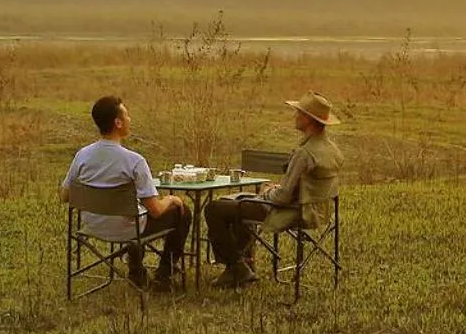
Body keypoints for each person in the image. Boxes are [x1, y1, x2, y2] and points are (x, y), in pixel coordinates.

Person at [205, 91, 344, 288]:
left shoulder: (304, 153)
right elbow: (304, 186)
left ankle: (237, 266)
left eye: (299, 113)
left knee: (215, 209)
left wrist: (266, 192)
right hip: (318, 211)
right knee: (236, 204)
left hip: (292, 211)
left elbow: (282, 198)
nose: (294, 116)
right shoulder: (331, 149)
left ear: (309, 120)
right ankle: (245, 262)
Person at [60, 95, 189, 292]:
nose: (130, 120)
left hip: (92, 225)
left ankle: (137, 270)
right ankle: (164, 274)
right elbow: (155, 211)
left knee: (135, 211)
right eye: (127, 115)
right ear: (118, 123)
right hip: (126, 229)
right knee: (182, 212)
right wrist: (172, 199)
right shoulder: (134, 161)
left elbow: (65, 196)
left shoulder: (82, 155)